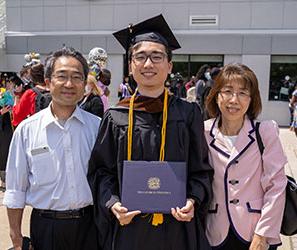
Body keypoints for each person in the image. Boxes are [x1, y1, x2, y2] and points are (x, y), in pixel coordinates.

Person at [88, 14, 213, 250]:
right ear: (131, 65)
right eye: (141, 57)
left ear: (169, 66)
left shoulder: (188, 114)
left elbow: (202, 170)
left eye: (157, 56)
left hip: (178, 227)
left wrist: (193, 199)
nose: (148, 64)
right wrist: (112, 204)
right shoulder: (116, 117)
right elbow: (101, 172)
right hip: (129, 227)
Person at [3, 47, 101, 250]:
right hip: (46, 227)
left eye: (76, 77)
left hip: (91, 226)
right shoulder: (27, 130)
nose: (69, 84)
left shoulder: (98, 127)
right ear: (48, 82)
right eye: (62, 76)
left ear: (84, 85)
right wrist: (16, 237)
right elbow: (15, 188)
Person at [204, 63, 287, 250]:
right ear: (217, 96)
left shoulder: (265, 131)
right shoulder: (203, 131)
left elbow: (277, 185)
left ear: (251, 99)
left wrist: (263, 234)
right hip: (215, 230)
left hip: (255, 230)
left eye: (242, 93)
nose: (234, 100)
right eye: (227, 91)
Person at [12, 63, 49, 127]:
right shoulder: (57, 90)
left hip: (38, 130)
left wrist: (17, 95)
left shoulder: (30, 93)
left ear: (32, 78)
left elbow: (16, 117)